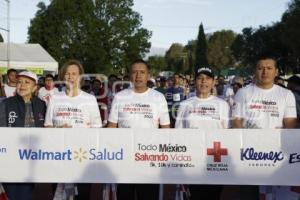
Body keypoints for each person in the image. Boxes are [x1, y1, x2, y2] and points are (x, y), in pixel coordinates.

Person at [232, 56, 297, 200]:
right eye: (260, 68)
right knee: (249, 194)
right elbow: (236, 121)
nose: (264, 72)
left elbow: (290, 124)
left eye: (269, 68)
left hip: (276, 155)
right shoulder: (244, 93)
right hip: (249, 155)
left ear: (276, 72)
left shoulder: (286, 94)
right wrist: (245, 144)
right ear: (255, 71)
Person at [107, 59, 170, 200]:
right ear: (130, 75)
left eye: (142, 72)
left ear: (148, 75)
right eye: (135, 72)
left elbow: (165, 130)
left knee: (148, 195)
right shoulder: (120, 97)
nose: (138, 76)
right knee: (125, 195)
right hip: (125, 159)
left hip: (149, 159)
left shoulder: (158, 98)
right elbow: (111, 127)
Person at [44, 60, 102, 200]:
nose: (70, 77)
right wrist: (59, 130)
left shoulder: (90, 99)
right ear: (63, 76)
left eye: (74, 74)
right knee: (59, 195)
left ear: (80, 77)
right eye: (67, 74)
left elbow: (97, 128)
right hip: (59, 156)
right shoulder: (55, 98)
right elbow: (47, 126)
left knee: (82, 195)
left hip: (82, 156)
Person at [175, 67, 230, 200]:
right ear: (195, 81)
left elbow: (228, 133)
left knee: (214, 195)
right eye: (200, 78)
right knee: (195, 195)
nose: (204, 82)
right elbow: (178, 133)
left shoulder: (222, 105)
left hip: (216, 157)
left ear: (213, 82)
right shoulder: (185, 104)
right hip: (193, 157)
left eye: (207, 78)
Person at [0, 71, 47, 200]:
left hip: (31, 158)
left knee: (26, 192)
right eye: (19, 82)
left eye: (27, 82)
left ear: (34, 87)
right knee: (11, 193)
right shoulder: (5, 103)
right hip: (11, 157)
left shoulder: (41, 104)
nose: (22, 85)